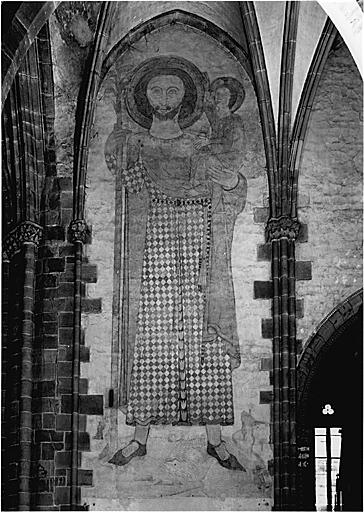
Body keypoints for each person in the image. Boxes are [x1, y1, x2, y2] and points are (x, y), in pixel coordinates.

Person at [104, 57, 247, 470]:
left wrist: (228, 183)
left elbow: (233, 188)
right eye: (155, 91)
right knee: (154, 339)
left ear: (186, 97)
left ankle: (214, 440)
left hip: (200, 248)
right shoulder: (136, 145)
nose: (164, 99)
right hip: (156, 256)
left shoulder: (201, 146)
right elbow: (122, 177)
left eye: (172, 91)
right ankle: (140, 437)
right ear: (143, 97)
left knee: (205, 343)